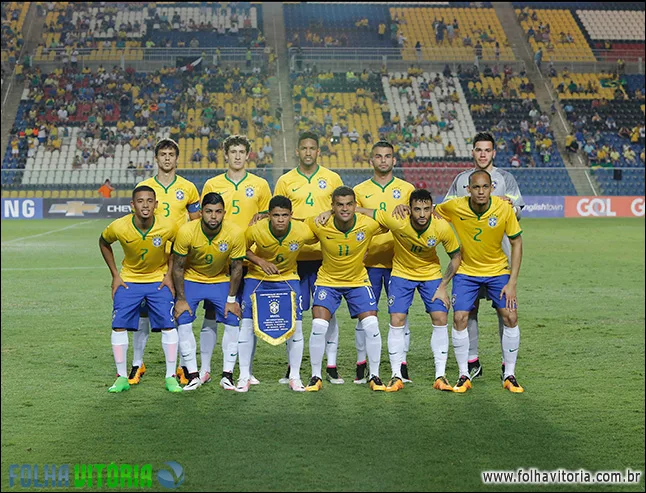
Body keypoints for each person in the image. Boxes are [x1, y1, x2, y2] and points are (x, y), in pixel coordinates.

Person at [354, 189, 462, 392]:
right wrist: (335, 211)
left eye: (426, 209)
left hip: (430, 275)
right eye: (417, 209)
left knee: (440, 317)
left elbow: (456, 256)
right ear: (409, 209)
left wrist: (443, 286)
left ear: (432, 209)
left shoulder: (441, 227)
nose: (422, 214)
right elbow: (364, 211)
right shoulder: (397, 220)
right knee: (397, 320)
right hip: (402, 274)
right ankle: (396, 375)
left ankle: (440, 376)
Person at [444, 132, 524, 381]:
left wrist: (504, 204)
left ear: (493, 153)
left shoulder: (506, 178)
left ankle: (505, 363)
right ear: (473, 152)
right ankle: (472, 360)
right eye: (478, 150)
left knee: (505, 312)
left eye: (486, 150)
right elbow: (447, 209)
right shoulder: (460, 180)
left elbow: (518, 209)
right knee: (469, 310)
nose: (482, 154)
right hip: (468, 260)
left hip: (500, 258)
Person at [200, 134, 272, 385]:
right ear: (226, 155)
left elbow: (265, 218)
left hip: (250, 259)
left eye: (242, 151)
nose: (238, 156)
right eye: (233, 152)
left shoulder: (261, 184)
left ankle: (246, 371)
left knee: (245, 315)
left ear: (248, 155)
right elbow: (206, 219)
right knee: (211, 313)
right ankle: (205, 369)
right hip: (219, 259)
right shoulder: (212, 183)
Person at [274, 132, 344, 384]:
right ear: (297, 151)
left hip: (326, 257)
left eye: (312, 148)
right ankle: (292, 367)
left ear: (318, 152)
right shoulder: (285, 180)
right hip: (294, 258)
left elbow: (342, 209)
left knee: (326, 311)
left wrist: (328, 211)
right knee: (294, 314)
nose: (307, 152)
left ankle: (331, 365)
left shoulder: (332, 178)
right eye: (303, 148)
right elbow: (278, 214)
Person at [131, 138, 202, 386]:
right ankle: (137, 363)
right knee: (142, 315)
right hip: (152, 259)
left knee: (180, 312)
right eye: (163, 154)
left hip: (180, 260)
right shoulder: (144, 186)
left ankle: (184, 366)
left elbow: (195, 223)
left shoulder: (189, 187)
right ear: (156, 158)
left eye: (171, 154)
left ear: (176, 158)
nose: (167, 158)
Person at [304, 186, 388, 392]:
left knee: (371, 325)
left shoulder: (367, 225)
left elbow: (386, 222)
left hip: (358, 281)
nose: (344, 209)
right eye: (339, 205)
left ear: (355, 205)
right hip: (328, 281)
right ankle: (315, 376)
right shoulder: (319, 224)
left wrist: (360, 212)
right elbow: (295, 225)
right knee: (318, 326)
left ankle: (375, 375)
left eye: (349, 204)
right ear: (332, 206)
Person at [99, 186, 182, 393]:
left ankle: (170, 377)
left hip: (158, 281)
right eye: (140, 201)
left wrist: (169, 275)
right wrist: (115, 275)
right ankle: (121, 377)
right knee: (118, 326)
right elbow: (103, 242)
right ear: (132, 205)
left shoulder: (168, 226)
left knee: (169, 326)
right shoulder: (119, 226)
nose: (145, 205)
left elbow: (178, 249)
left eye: (149, 201)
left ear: (156, 205)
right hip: (128, 281)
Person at [237, 195, 318, 392]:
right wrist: (260, 262)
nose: (280, 219)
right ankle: (244, 375)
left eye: (284, 215)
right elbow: (242, 249)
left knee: (296, 327)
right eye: (275, 215)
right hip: (257, 279)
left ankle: (295, 377)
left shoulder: (302, 230)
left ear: (291, 215)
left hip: (288, 279)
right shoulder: (256, 229)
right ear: (268, 216)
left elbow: (320, 233)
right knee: (247, 324)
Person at [352, 141, 414, 384]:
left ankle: (401, 366)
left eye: (388, 156)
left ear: (394, 160)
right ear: (371, 160)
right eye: (378, 156)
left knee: (400, 317)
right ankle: (362, 364)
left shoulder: (407, 188)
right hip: (368, 263)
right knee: (366, 317)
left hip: (400, 262)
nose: (383, 160)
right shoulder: (359, 190)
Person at [171, 192, 246, 391]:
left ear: (224, 213)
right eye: (209, 211)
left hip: (220, 280)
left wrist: (231, 299)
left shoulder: (235, 232)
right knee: (183, 320)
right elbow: (177, 267)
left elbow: (237, 268)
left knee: (232, 320)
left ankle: (227, 375)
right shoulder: (186, 231)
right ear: (201, 212)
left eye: (218, 212)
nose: (213, 216)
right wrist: (180, 299)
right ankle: (193, 375)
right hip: (192, 279)